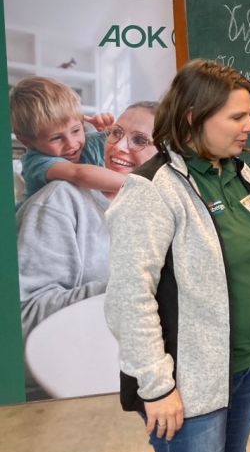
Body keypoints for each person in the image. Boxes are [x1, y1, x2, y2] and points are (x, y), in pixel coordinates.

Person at [105, 61, 250, 452]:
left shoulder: (240, 175)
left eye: (249, 115)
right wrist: (157, 386)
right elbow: (130, 297)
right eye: (237, 117)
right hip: (187, 384)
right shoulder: (152, 190)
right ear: (192, 117)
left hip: (241, 368)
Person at [18, 101, 159, 339]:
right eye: (116, 133)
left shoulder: (161, 210)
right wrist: (130, 290)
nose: (119, 148)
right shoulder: (59, 201)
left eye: (139, 140)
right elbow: (23, 315)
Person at [10, 75, 123, 201]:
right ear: (27, 142)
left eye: (76, 130)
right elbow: (79, 174)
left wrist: (113, 132)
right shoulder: (36, 161)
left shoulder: (88, 142)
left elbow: (132, 149)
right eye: (56, 138)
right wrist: (140, 187)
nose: (71, 143)